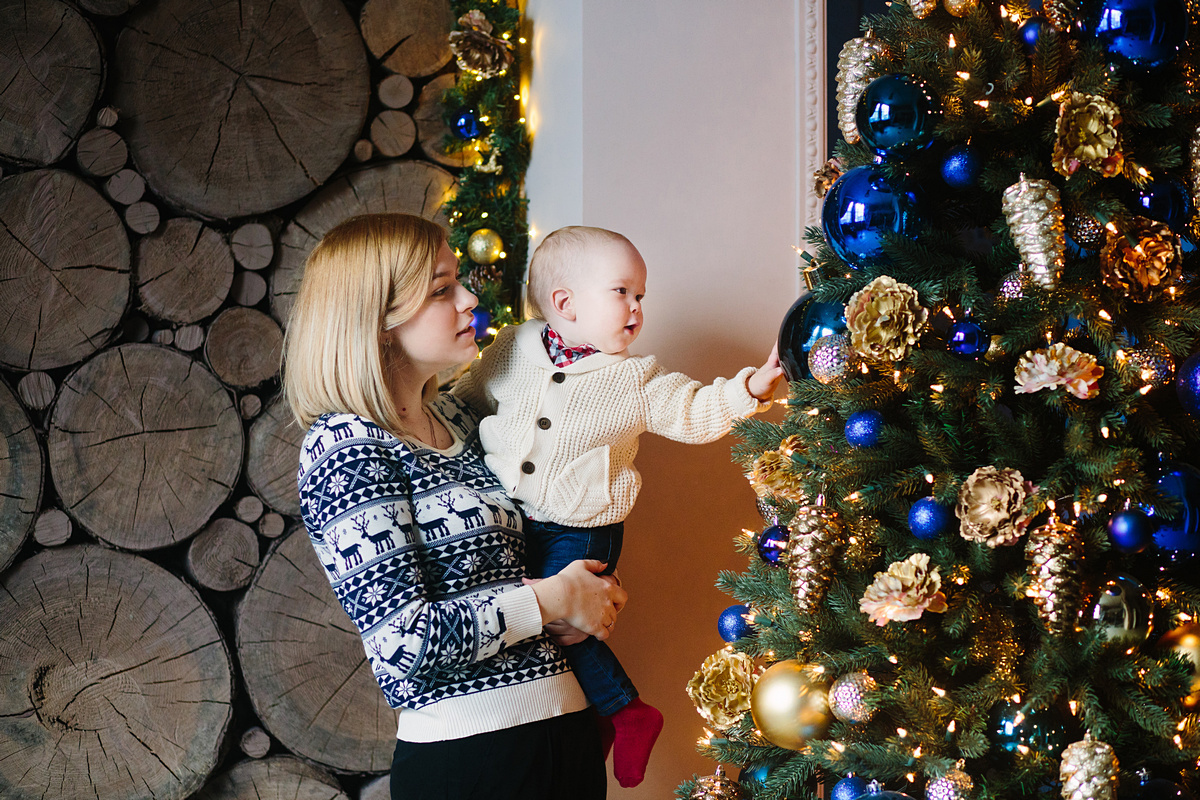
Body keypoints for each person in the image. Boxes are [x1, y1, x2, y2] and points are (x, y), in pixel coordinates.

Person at [283, 213, 627, 800]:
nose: (471, 299)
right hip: (472, 761)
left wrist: (590, 590)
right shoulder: (343, 449)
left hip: (567, 727)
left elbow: (537, 547)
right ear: (379, 322)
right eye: (442, 290)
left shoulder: (460, 418)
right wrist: (553, 599)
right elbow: (404, 644)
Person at [452, 225, 785, 787]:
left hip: (584, 524)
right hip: (517, 516)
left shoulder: (633, 377)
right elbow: (468, 399)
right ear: (564, 303)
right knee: (535, 622)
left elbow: (692, 409)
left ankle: (628, 711)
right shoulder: (512, 348)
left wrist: (748, 388)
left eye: (641, 297)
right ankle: (603, 712)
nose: (636, 308)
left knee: (563, 623)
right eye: (622, 292)